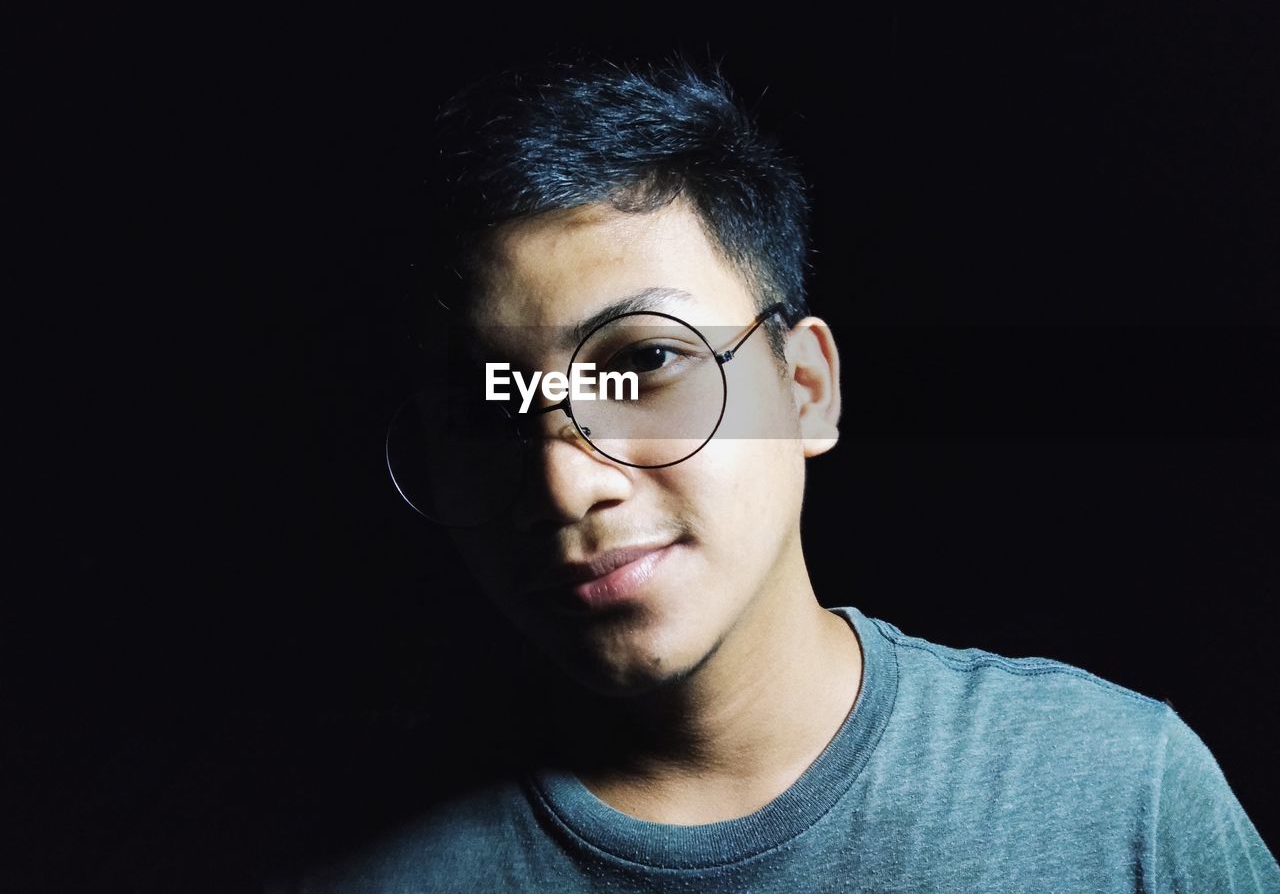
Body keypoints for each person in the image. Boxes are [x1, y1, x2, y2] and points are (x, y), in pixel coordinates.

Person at [285, 55, 1279, 892]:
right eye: (489, 409)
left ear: (802, 387)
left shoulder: (1114, 797)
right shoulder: (372, 868)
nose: (565, 484)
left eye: (642, 363)